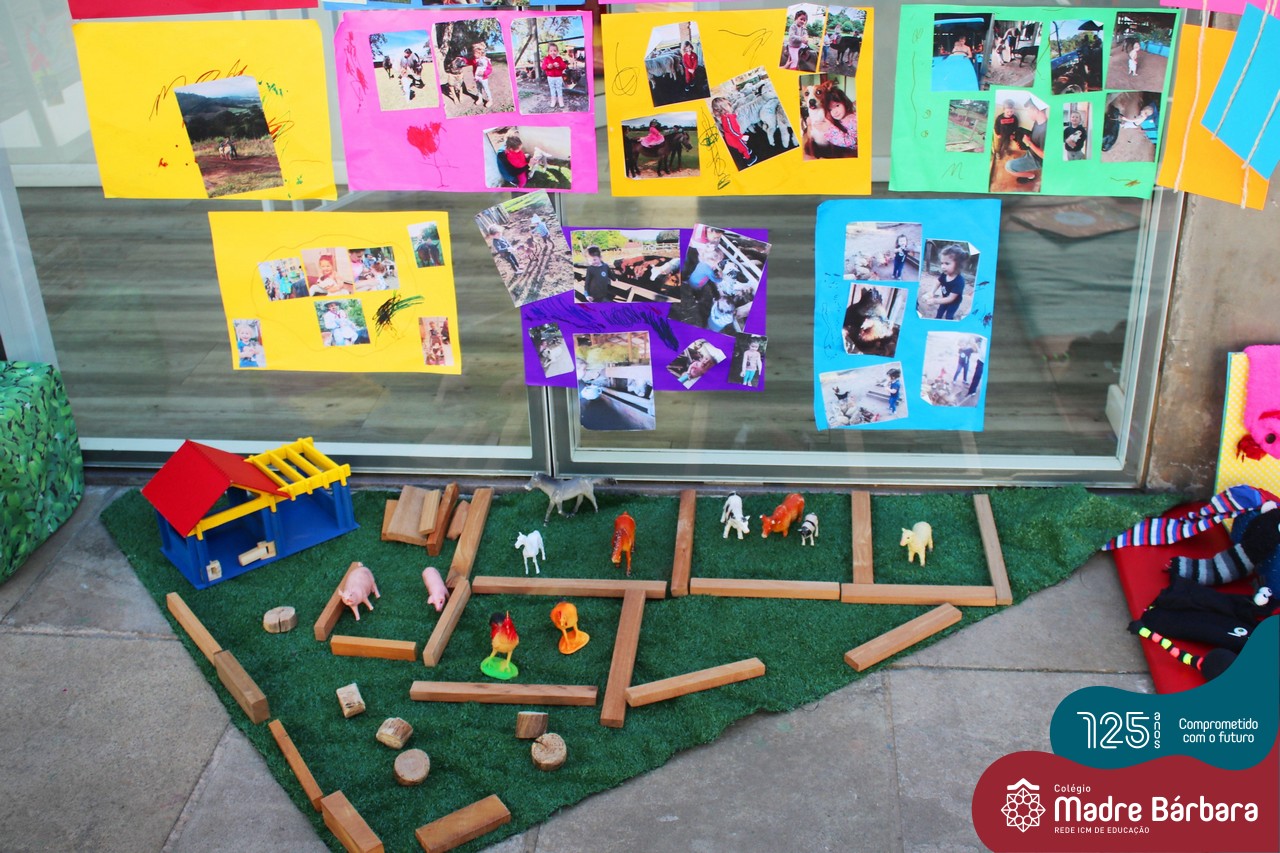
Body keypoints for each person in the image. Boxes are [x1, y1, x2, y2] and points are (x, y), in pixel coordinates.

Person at [1004, 101, 1046, 184]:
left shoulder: (1044, 131)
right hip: (1031, 151)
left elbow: (1045, 156)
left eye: (1028, 111)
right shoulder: (1037, 122)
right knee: (1019, 130)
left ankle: (1031, 176)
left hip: (1037, 159)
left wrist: (1029, 143)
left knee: (1008, 166)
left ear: (1036, 110)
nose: (1027, 114)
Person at [711, 97, 754, 166]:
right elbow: (732, 130)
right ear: (724, 108)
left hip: (730, 138)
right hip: (734, 138)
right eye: (728, 105)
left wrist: (734, 115)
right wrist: (741, 136)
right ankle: (748, 160)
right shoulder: (728, 118)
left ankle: (745, 153)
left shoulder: (725, 116)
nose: (730, 106)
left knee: (741, 147)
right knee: (744, 148)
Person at [932, 244, 969, 320]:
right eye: (942, 263)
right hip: (945, 298)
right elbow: (938, 282)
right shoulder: (944, 274)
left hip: (954, 302)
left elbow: (951, 299)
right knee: (939, 312)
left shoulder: (959, 282)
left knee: (949, 315)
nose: (943, 267)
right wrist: (932, 292)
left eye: (947, 263)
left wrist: (935, 301)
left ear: (958, 265)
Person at [822, 86, 858, 156]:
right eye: (830, 109)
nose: (834, 112)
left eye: (837, 105)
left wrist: (830, 128)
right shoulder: (837, 120)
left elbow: (851, 141)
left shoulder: (853, 120)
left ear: (845, 102)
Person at [540, 43, 568, 109]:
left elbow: (564, 66)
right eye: (551, 51)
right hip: (550, 77)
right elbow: (543, 67)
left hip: (558, 77)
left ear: (557, 51)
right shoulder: (546, 59)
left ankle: (560, 100)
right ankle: (553, 100)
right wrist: (547, 66)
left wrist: (558, 66)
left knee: (559, 88)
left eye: (555, 51)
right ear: (548, 52)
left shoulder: (559, 58)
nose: (553, 52)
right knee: (552, 89)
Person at [466, 42, 494, 108]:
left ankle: (490, 100)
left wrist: (484, 73)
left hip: (483, 78)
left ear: (480, 53)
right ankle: (480, 98)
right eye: (473, 53)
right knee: (478, 88)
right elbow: (469, 62)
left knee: (486, 89)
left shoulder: (486, 60)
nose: (474, 54)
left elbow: (490, 69)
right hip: (477, 78)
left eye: (475, 53)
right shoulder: (474, 60)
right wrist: (463, 60)